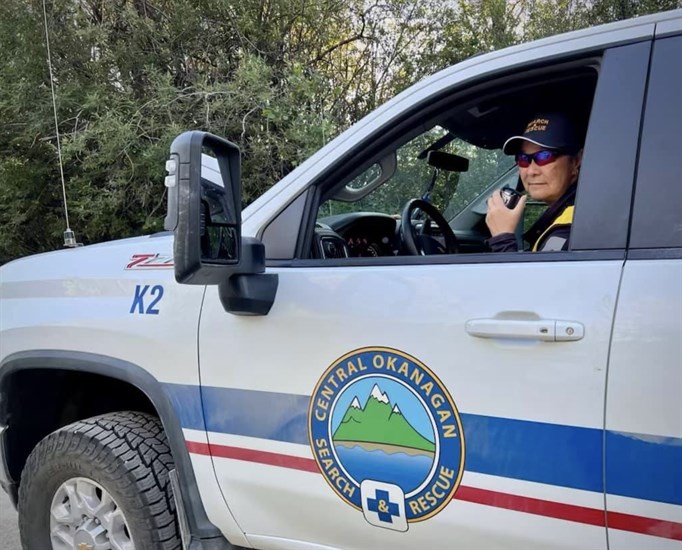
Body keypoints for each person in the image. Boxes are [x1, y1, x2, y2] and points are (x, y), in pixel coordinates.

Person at [486, 113, 583, 252]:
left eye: (544, 156)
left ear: (575, 162)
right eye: (523, 158)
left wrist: (502, 239)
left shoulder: (571, 229)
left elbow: (539, 275)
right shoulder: (565, 215)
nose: (531, 171)